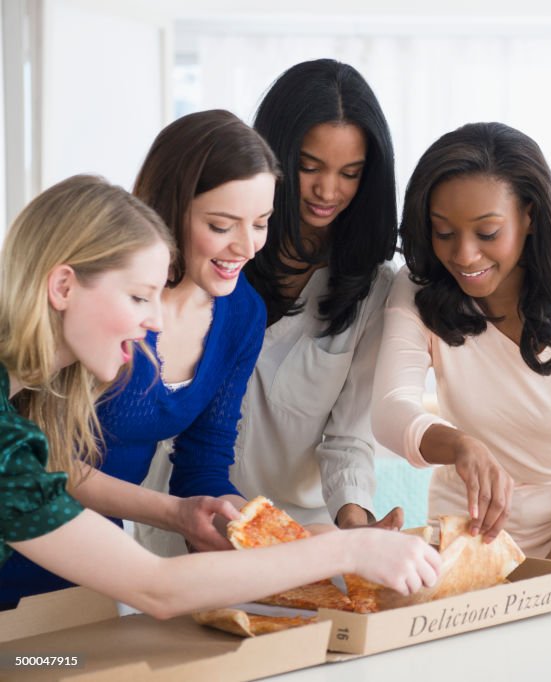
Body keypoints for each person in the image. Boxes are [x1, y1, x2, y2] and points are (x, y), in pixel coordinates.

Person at [0, 175, 440, 615]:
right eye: (138, 297)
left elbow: (60, 469)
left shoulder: (25, 415)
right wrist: (350, 550)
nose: (155, 321)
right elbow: (156, 588)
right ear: (62, 287)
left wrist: (180, 514)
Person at [0, 109, 279, 603]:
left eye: (261, 223)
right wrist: (346, 550)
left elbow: (204, 458)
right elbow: (50, 464)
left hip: (92, 571)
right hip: (43, 561)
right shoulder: (92, 334)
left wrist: (228, 521)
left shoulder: (239, 315)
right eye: (221, 224)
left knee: (60, 669)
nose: (248, 245)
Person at [371, 122, 551, 574]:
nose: (463, 255)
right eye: (444, 232)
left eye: (487, 233)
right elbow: (389, 411)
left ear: (531, 217)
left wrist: (548, 570)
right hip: (465, 540)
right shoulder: (419, 290)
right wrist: (460, 444)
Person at [231, 59, 402, 530]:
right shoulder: (226, 256)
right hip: (194, 515)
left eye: (350, 173)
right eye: (309, 167)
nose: (328, 190)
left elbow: (351, 435)